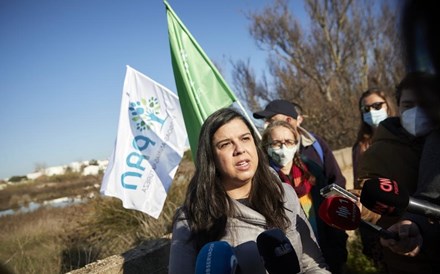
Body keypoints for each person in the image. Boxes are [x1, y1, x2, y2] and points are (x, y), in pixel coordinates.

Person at [168, 108, 330, 274]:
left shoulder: (285, 194)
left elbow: (313, 265)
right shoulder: (191, 217)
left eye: (245, 138)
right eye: (225, 144)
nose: (239, 149)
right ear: (211, 157)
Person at [357, 72, 438, 273]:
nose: (417, 112)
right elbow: (367, 193)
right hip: (407, 258)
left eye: (425, 104)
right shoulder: (378, 151)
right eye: (409, 105)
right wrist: (358, 205)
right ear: (398, 107)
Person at [262, 120, 348, 274]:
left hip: (326, 250)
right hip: (293, 258)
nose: (283, 148)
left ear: (296, 144)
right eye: (276, 143)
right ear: (266, 146)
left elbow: (330, 210)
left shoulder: (312, 170)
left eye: (288, 142)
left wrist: (338, 247)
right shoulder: (264, 181)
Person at [253, 99, 346, 189]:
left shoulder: (315, 144)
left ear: (288, 120)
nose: (266, 125)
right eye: (277, 143)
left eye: (271, 120)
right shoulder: (265, 154)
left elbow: (337, 180)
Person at [352, 88, 397, 189]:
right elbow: (358, 183)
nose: (371, 112)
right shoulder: (361, 146)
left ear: (388, 106)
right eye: (366, 109)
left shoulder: (403, 136)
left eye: (377, 106)